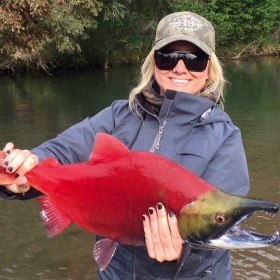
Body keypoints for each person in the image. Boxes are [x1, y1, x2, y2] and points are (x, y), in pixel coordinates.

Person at [0, 11, 250, 280]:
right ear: (154, 62)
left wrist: (184, 253)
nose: (179, 67)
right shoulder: (118, 116)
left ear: (209, 68)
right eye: (167, 56)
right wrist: (22, 169)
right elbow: (60, 152)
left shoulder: (225, 136)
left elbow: (221, 228)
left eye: (194, 59)